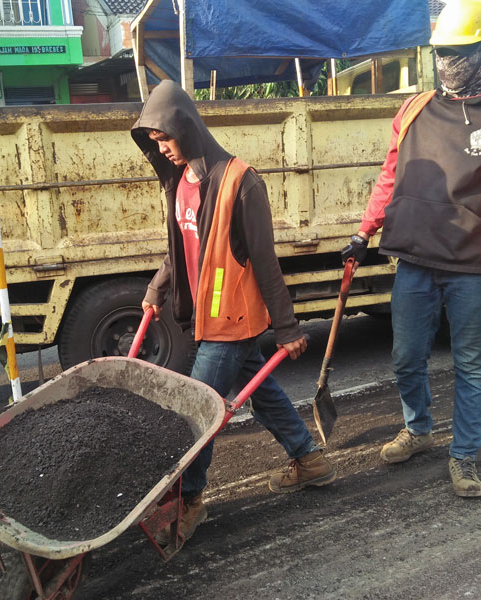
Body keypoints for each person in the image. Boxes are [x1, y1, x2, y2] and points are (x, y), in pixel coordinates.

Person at [341, 0, 481, 498]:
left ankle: (465, 457)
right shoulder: (413, 109)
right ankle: (418, 427)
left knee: (471, 363)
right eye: (442, 53)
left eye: (459, 53)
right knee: (406, 357)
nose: (448, 64)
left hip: (474, 267)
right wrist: (363, 232)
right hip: (414, 259)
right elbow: (391, 178)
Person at [132, 80, 334, 544]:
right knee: (260, 390)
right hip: (204, 316)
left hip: (233, 318)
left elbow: (265, 261)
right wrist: (156, 289)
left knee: (200, 410)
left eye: (165, 137)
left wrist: (287, 327)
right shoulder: (179, 183)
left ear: (187, 127)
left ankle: (190, 500)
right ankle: (310, 459)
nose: (161, 148)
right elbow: (178, 249)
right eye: (154, 142)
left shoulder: (241, 182)